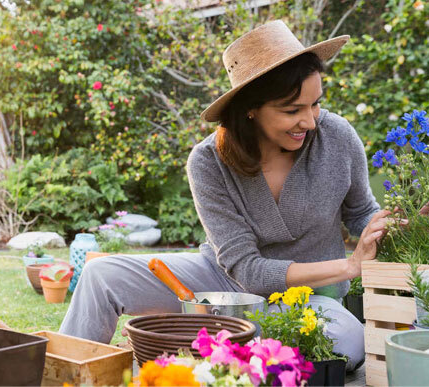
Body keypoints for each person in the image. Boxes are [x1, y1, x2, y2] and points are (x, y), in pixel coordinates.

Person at [57, 21, 397, 369]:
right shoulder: (208, 161)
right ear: (251, 109)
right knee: (101, 277)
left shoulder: (336, 137)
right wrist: (349, 266)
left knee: (350, 342)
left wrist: (401, 223)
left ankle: (203, 339)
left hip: (306, 298)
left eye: (315, 105)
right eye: (292, 110)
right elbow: (245, 269)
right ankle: (65, 370)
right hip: (222, 286)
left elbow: (360, 213)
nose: (309, 121)